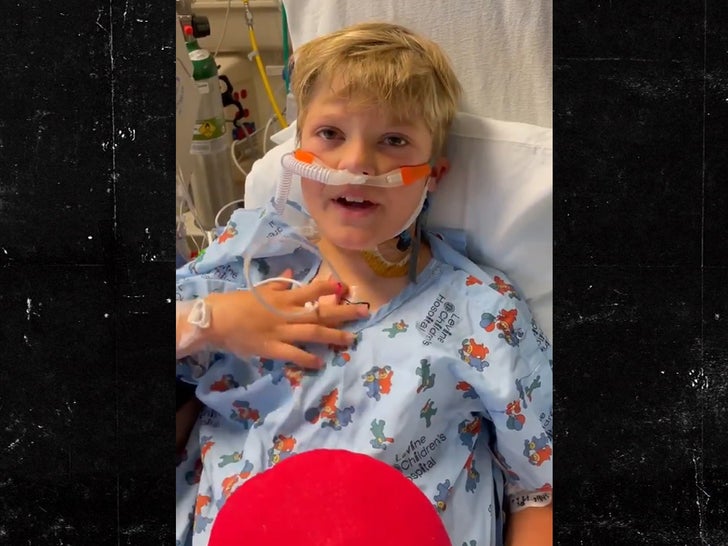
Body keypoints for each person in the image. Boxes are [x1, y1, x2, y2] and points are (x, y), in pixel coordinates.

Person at [176, 22, 553, 546]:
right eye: (330, 134)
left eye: (393, 140)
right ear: (297, 152)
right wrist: (210, 321)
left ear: (433, 174)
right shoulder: (245, 262)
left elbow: (538, 493)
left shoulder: (482, 313)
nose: (355, 164)